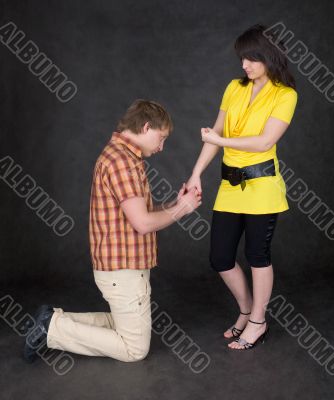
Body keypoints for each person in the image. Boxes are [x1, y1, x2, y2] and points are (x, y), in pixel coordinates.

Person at [24, 99, 201, 363]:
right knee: (134, 350)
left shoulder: (123, 156)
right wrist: (183, 210)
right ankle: (52, 329)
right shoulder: (122, 162)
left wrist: (176, 203)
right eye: (161, 138)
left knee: (122, 326)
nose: (162, 147)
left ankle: (51, 319)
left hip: (122, 268)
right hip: (123, 270)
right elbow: (142, 224)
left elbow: (138, 213)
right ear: (145, 126)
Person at [186, 24, 298, 350]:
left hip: (263, 186)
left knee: (256, 255)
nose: (244, 65)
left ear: (270, 56)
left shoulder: (285, 94)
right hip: (231, 186)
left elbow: (265, 141)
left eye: (251, 58)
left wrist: (218, 139)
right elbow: (215, 133)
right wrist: (195, 174)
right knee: (220, 257)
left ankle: (259, 321)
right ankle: (246, 311)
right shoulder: (233, 88)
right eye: (242, 58)